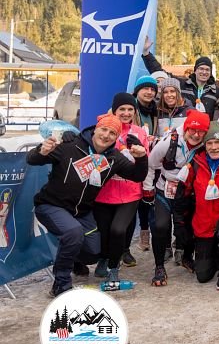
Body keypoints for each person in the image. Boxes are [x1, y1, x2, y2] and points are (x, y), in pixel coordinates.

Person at [28, 114, 148, 296]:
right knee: (73, 232)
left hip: (81, 212)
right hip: (51, 205)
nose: (106, 135)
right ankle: (61, 284)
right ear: (95, 129)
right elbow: (32, 159)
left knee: (93, 252)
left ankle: (71, 254)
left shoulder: (113, 157)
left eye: (112, 133)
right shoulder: (70, 145)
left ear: (116, 138)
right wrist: (41, 151)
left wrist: (141, 158)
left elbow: (137, 175)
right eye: (103, 129)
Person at [146, 109, 210, 287]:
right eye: (193, 130)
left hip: (188, 192)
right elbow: (151, 164)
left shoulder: (205, 145)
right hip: (164, 190)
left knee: (189, 227)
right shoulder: (169, 142)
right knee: (161, 226)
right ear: (186, 128)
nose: (196, 135)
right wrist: (147, 188)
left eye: (201, 132)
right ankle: (159, 266)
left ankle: (187, 257)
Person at [92, 93, 151, 287]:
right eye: (122, 109)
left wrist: (140, 152)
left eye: (130, 109)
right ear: (114, 110)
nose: (126, 113)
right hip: (104, 191)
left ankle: (114, 268)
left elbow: (146, 161)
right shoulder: (105, 129)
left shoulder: (139, 132)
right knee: (104, 231)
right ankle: (103, 258)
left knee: (118, 230)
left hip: (130, 192)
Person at [186, 121, 219, 290]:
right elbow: (185, 191)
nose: (214, 147)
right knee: (202, 276)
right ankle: (213, 255)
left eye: (218, 142)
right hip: (203, 224)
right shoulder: (196, 162)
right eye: (210, 143)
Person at [142, 52, 219, 117]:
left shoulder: (217, 92)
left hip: (206, 131)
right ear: (195, 70)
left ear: (210, 72)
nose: (204, 72)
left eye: (207, 70)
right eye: (201, 69)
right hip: (183, 129)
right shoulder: (181, 84)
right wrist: (146, 54)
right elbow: (160, 73)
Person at [131, 75, 159, 253]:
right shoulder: (129, 107)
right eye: (145, 89)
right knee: (131, 202)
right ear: (137, 91)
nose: (149, 92)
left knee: (147, 198)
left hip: (149, 159)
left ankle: (145, 233)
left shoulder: (154, 110)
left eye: (152, 89)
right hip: (131, 159)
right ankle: (126, 246)